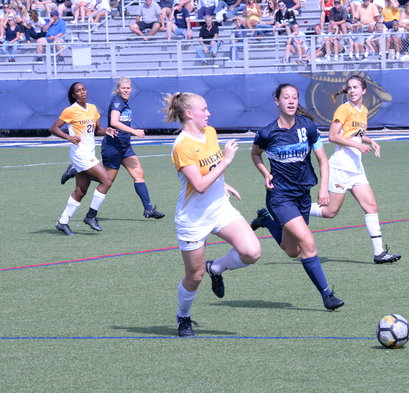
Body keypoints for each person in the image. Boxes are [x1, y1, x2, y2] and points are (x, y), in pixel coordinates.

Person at [163, 92, 261, 337]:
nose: (208, 113)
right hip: (193, 219)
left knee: (252, 252)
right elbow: (199, 185)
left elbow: (210, 169)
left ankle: (216, 268)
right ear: (189, 114)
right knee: (194, 277)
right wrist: (226, 161)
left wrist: (223, 184)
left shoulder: (210, 133)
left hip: (219, 209)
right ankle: (183, 317)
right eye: (204, 109)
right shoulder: (182, 145)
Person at [250, 83, 345, 311]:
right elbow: (255, 154)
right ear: (277, 101)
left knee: (292, 251)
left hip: (302, 195)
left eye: (294, 97)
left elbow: (323, 160)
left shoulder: (307, 127)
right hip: (280, 197)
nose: (291, 101)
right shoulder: (266, 133)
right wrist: (265, 173)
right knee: (308, 243)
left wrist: (323, 189)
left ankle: (265, 220)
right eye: (286, 97)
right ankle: (327, 295)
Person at [309, 75, 401, 265]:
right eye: (349, 88)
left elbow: (355, 134)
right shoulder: (344, 109)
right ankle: (294, 209)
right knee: (330, 212)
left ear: (364, 90)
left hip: (356, 168)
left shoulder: (363, 110)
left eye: (355, 87)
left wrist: (370, 141)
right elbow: (333, 136)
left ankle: (379, 253)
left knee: (371, 207)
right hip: (341, 167)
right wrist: (358, 146)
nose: (352, 91)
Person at [60, 77, 165, 219]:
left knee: (139, 175)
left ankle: (148, 209)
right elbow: (114, 122)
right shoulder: (117, 102)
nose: (126, 90)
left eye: (128, 88)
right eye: (123, 88)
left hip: (125, 146)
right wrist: (133, 131)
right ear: (117, 90)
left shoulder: (124, 103)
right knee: (106, 180)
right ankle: (76, 169)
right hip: (113, 147)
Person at [51, 82, 116, 236]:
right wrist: (69, 137)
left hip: (90, 153)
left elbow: (97, 129)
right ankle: (91, 216)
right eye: (79, 91)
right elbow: (54, 128)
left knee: (80, 191)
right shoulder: (70, 110)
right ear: (74, 95)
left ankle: (62, 222)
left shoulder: (92, 108)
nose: (82, 92)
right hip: (80, 154)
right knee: (106, 181)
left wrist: (107, 130)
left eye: (84, 89)